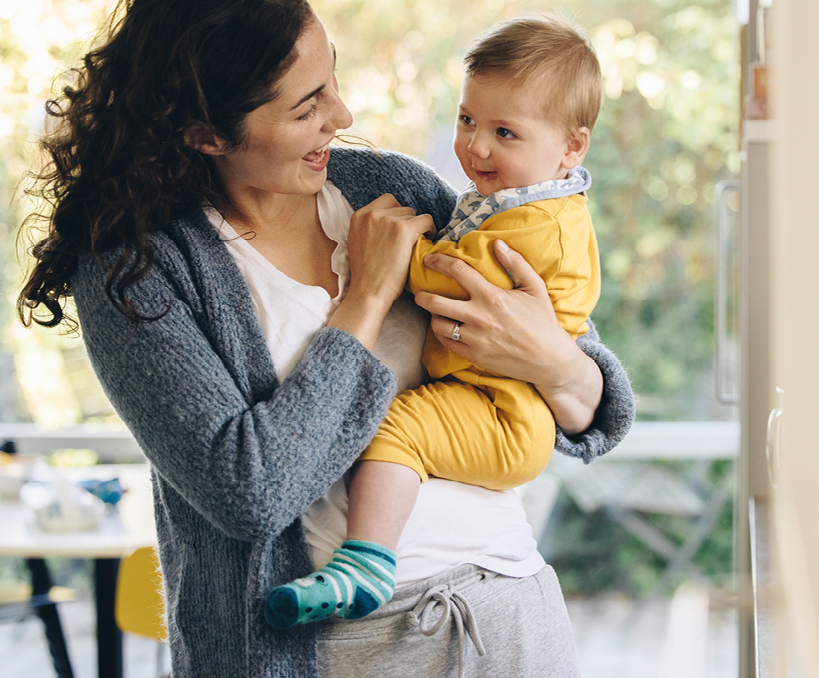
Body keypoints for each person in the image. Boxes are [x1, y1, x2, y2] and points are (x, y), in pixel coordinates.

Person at [16, 1, 634, 677]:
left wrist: (552, 362)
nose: (341, 118)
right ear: (205, 133)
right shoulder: (134, 268)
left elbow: (589, 405)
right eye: (307, 107)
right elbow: (247, 493)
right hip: (330, 649)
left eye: (332, 81)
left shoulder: (393, 188)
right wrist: (366, 298)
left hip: (510, 616)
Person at [266, 13, 606, 629]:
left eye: (505, 131)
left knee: (395, 429)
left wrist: (401, 255)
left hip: (501, 414)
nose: (476, 146)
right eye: (467, 119)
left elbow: (585, 383)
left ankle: (366, 561)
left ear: (571, 147)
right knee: (397, 429)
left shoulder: (535, 219)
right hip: (486, 403)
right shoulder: (509, 201)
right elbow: (247, 487)